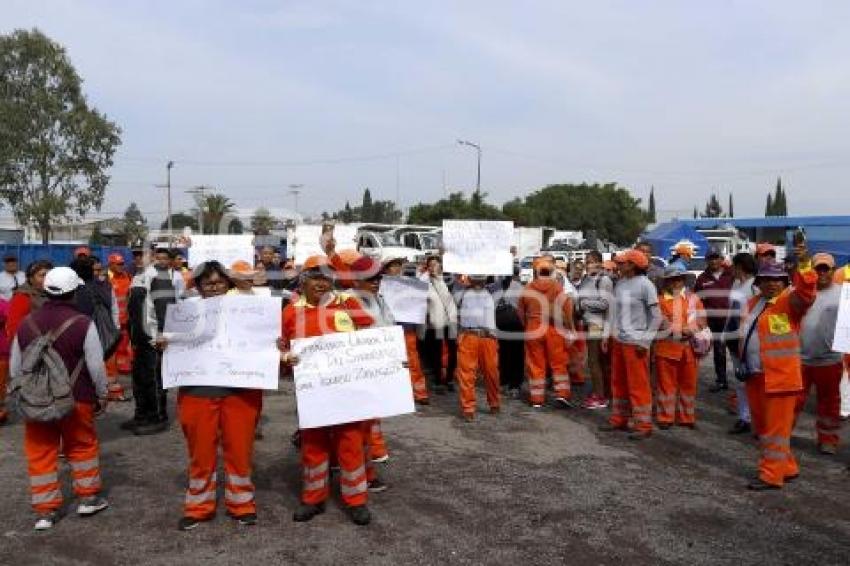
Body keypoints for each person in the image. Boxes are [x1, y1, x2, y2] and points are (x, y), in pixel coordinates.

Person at [154, 261, 263, 531]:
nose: (214, 287)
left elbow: (265, 337)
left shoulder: (250, 308)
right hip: (197, 392)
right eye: (208, 283)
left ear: (228, 283)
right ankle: (199, 507)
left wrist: (276, 347)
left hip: (241, 392)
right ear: (199, 286)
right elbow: (170, 341)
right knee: (200, 452)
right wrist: (163, 343)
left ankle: (242, 504)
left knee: (239, 449)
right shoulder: (185, 312)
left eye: (219, 282)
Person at [10, 266, 110, 530]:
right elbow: (96, 366)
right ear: (74, 292)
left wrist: (28, 393)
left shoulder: (26, 324)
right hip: (77, 398)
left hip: (37, 400)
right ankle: (88, 498)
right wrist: (102, 393)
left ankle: (45, 512)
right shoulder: (83, 323)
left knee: (40, 452)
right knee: (82, 446)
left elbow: (15, 366)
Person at [281, 255, 375, 525]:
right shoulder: (290, 311)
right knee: (313, 444)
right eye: (315, 277)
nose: (321, 282)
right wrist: (285, 357)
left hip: (347, 388)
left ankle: (356, 500)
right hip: (312, 391)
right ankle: (313, 498)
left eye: (326, 277)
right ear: (303, 280)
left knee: (350, 442)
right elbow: (280, 346)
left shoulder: (349, 303)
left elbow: (373, 336)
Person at [740, 246, 816, 490]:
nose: (771, 284)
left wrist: (804, 265)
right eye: (766, 280)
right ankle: (788, 467)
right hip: (755, 375)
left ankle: (771, 475)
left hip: (780, 378)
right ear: (758, 282)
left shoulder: (789, 302)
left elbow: (806, 294)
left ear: (785, 281)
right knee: (765, 428)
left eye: (776, 280)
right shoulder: (753, 303)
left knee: (775, 429)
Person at [600, 249, 661, 440]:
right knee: (618, 382)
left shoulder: (646, 285)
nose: (619, 266)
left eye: (622, 263)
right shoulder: (621, 284)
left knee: (638, 385)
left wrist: (645, 341)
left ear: (633, 265)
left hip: (636, 344)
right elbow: (614, 312)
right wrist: (607, 335)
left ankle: (643, 424)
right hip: (619, 341)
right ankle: (620, 418)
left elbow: (657, 317)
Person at [795, 253, 843, 455]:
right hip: (799, 359)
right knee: (793, 400)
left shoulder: (845, 294)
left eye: (826, 269)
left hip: (830, 361)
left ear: (833, 271)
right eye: (818, 268)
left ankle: (828, 439)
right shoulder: (799, 292)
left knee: (829, 403)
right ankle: (781, 433)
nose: (822, 273)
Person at [135, 248, 185, 435]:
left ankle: (158, 415)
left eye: (165, 257)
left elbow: (167, 307)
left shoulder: (166, 277)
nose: (141, 258)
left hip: (154, 333)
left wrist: (162, 333)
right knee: (142, 377)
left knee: (155, 376)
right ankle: (143, 414)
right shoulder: (144, 274)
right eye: (157, 257)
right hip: (140, 334)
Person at [517, 257, 574, 408]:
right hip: (554, 328)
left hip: (534, 328)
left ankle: (537, 399)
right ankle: (562, 395)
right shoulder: (556, 288)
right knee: (558, 363)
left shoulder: (527, 289)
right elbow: (567, 310)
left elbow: (520, 313)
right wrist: (570, 329)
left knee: (536, 364)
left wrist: (527, 326)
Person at [654, 266, 707, 429]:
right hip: (666, 349)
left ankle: (687, 417)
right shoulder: (660, 300)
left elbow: (702, 320)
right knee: (665, 385)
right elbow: (659, 322)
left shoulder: (693, 299)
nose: (676, 282)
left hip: (689, 350)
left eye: (678, 279)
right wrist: (679, 329)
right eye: (672, 280)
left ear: (683, 280)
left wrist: (690, 329)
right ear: (666, 282)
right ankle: (665, 417)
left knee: (689, 385)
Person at [383, 256, 430, 405]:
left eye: (399, 265)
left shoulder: (411, 284)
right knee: (390, 364)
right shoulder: (380, 284)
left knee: (413, 363)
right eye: (393, 265)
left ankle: (420, 393)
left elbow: (424, 291)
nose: (397, 268)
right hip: (387, 332)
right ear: (386, 269)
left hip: (407, 331)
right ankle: (393, 393)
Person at [455, 274, 500, 422]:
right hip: (468, 336)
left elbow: (506, 277)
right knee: (467, 374)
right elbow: (452, 274)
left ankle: (494, 402)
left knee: (491, 372)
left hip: (488, 338)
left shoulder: (493, 290)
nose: (478, 276)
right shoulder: (460, 290)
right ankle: (468, 408)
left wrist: (508, 257)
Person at [694, 247, 734, 393]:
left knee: (739, 350)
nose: (714, 261)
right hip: (714, 321)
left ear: (721, 259)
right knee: (719, 351)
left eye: (716, 257)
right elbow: (697, 301)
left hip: (733, 319)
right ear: (707, 260)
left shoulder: (732, 274)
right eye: (711, 258)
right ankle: (721, 380)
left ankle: (743, 380)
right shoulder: (702, 279)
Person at [576, 251, 613, 409]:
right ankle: (601, 392)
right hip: (587, 322)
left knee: (594, 361)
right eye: (587, 261)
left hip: (597, 325)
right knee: (595, 361)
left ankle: (600, 395)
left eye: (590, 261)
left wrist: (584, 304)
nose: (587, 264)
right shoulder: (586, 279)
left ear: (599, 263)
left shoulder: (604, 280)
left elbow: (605, 304)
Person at [727, 252, 758, 434]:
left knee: (752, 379)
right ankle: (744, 417)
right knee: (739, 380)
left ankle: (755, 418)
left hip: (747, 338)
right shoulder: (736, 284)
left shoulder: (754, 286)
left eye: (734, 266)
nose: (732, 269)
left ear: (740, 266)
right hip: (734, 336)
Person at [418, 256, 458, 394]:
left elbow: (450, 299)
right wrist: (423, 275)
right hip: (435, 323)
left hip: (450, 321)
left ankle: (450, 378)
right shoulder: (425, 282)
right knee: (437, 353)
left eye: (436, 264)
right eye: (431, 265)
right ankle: (438, 381)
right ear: (428, 268)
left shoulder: (448, 280)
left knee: (453, 352)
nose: (434, 267)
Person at [489, 268, 525, 398]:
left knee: (516, 355)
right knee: (503, 354)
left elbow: (524, 307)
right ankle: (504, 380)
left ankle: (515, 384)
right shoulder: (493, 287)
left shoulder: (520, 288)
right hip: (499, 326)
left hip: (516, 326)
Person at [107, 253, 134, 383]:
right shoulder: (105, 279)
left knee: (124, 343)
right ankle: (115, 368)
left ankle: (124, 365)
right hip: (113, 320)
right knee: (115, 345)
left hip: (127, 319)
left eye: (122, 263)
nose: (121, 266)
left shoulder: (128, 277)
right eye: (118, 264)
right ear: (111, 265)